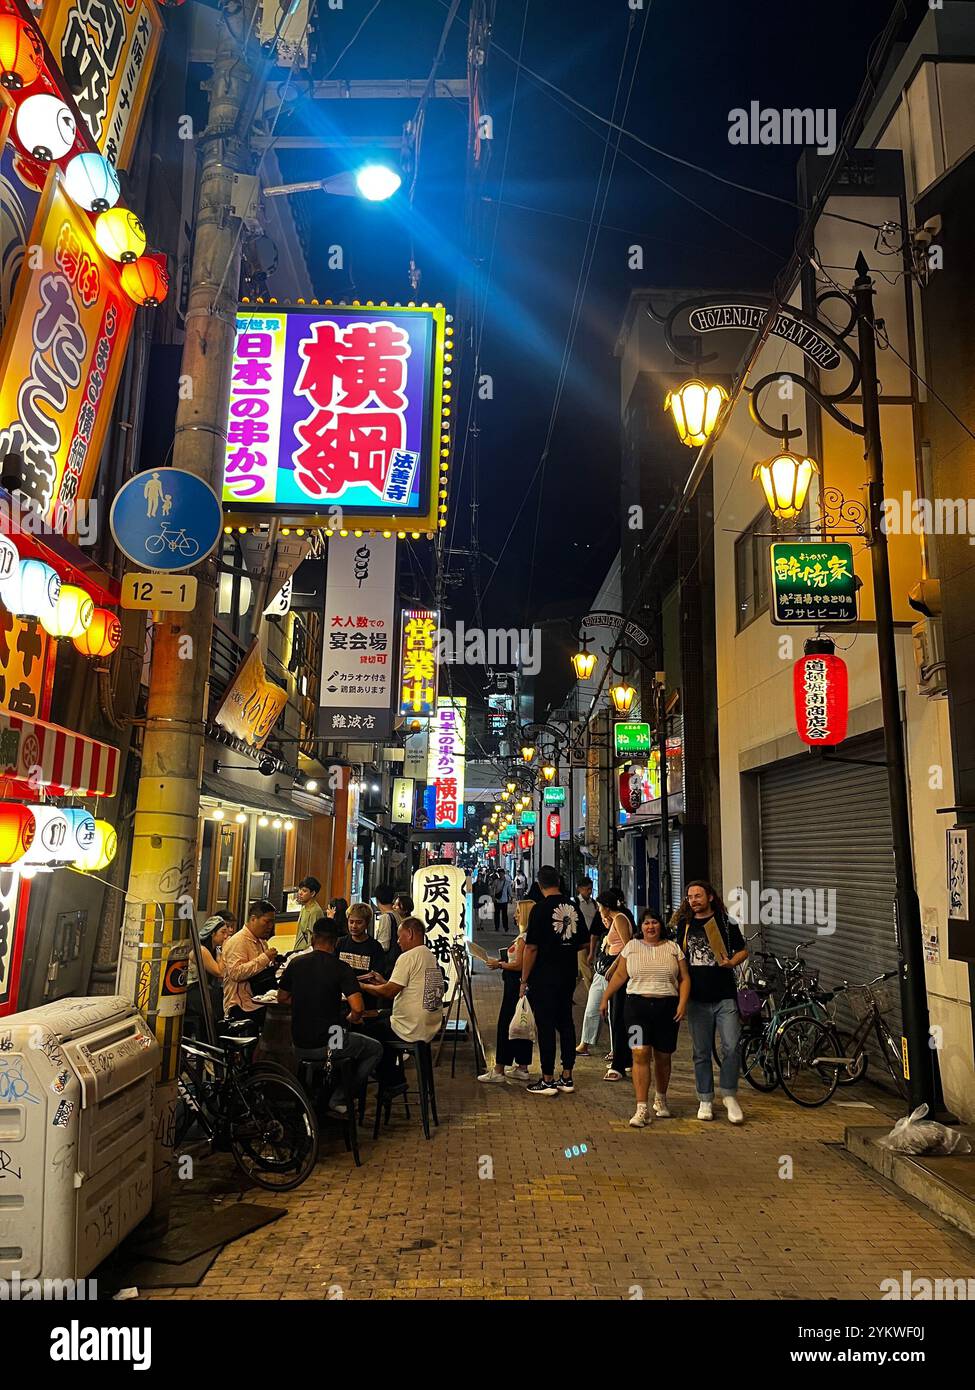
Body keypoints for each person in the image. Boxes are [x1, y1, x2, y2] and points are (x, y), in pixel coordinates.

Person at [277, 920, 382, 1111]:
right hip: (331, 1042)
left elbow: (282, 998)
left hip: (298, 1043)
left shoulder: (296, 963)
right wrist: (351, 1018)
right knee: (374, 1048)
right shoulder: (341, 968)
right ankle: (341, 1097)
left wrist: (305, 1002)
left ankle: (317, 1099)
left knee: (347, 1046)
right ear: (335, 943)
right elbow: (358, 1007)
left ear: (313, 938)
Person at [600, 909, 690, 1127]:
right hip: (636, 1008)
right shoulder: (631, 947)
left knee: (663, 1056)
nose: (651, 927)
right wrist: (605, 998)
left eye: (655, 923)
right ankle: (641, 1108)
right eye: (646, 923)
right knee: (639, 1054)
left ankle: (661, 1098)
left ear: (661, 926)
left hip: (666, 1008)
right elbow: (620, 974)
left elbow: (684, 978)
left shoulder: (673, 948)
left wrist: (682, 1003)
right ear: (641, 927)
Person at [671, 879, 749, 1124]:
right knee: (701, 1052)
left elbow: (743, 950)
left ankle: (729, 1095)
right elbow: (678, 957)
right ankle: (705, 1098)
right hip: (696, 999)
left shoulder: (726, 922)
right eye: (690, 897)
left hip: (725, 995)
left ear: (710, 897)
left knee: (732, 1046)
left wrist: (732, 962)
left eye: (698, 896)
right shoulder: (684, 925)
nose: (693, 900)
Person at [520, 865, 587, 1096]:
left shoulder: (539, 910)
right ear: (558, 881)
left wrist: (523, 979)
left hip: (544, 976)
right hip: (568, 974)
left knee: (545, 1026)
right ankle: (567, 1076)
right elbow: (584, 942)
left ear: (539, 885)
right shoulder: (573, 906)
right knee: (566, 1023)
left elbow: (530, 948)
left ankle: (547, 1079)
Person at [358, 919, 445, 1077]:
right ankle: (393, 1076)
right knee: (378, 1014)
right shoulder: (429, 955)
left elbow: (389, 992)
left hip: (410, 1027)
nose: (397, 941)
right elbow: (405, 987)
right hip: (429, 1025)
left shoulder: (408, 957)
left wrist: (362, 986)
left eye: (399, 936)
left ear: (410, 934)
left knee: (366, 1031)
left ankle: (391, 1079)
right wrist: (383, 982)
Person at [477, 918, 533, 1085]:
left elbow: (518, 965)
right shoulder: (530, 937)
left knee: (507, 1024)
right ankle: (522, 1067)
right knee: (522, 1023)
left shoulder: (524, 938)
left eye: (517, 912)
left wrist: (499, 964)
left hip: (516, 986)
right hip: (522, 985)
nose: (515, 916)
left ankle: (499, 1069)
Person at [595, 890, 634, 1080]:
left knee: (618, 1016)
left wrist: (615, 965)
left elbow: (628, 945)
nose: (598, 910)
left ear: (606, 907)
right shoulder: (614, 919)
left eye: (599, 906)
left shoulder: (619, 918)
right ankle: (624, 1059)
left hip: (620, 970)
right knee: (616, 1015)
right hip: (616, 967)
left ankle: (620, 1061)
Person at [221, 900, 278, 1030]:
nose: (270, 926)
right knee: (275, 1022)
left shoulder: (262, 942)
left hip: (259, 1000)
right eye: (267, 921)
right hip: (241, 1006)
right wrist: (265, 958)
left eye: (272, 922)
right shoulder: (237, 941)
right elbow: (236, 973)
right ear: (253, 919)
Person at [184, 912, 235, 1036]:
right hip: (191, 990)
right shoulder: (201, 950)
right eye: (223, 932)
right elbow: (219, 972)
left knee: (224, 995)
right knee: (216, 1000)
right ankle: (213, 1039)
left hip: (202, 989)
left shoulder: (214, 950)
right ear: (212, 933)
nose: (226, 935)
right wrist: (224, 950)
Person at [337, 902, 387, 980]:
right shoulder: (340, 943)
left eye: (359, 922)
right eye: (351, 922)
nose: (354, 926)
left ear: (367, 924)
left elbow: (376, 975)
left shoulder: (375, 947)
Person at [575, 878, 599, 991]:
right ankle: (593, 995)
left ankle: (567, 992)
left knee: (581, 970)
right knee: (587, 969)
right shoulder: (575, 903)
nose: (589, 891)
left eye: (590, 888)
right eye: (587, 889)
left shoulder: (594, 903)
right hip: (581, 941)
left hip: (592, 939)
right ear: (579, 889)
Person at [292, 875, 325, 952]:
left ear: (312, 893)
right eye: (300, 889)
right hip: (299, 950)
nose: (300, 893)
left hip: (306, 953)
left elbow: (312, 938)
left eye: (304, 891)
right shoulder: (304, 908)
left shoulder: (315, 911)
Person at [372, 883, 399, 954]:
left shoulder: (385, 917)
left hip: (388, 960)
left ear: (377, 900)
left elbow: (384, 945)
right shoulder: (396, 914)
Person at [491, 866, 513, 932]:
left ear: (504, 874)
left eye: (502, 874)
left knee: (504, 915)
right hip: (497, 901)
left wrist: (511, 897)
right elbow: (492, 889)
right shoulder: (496, 881)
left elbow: (509, 891)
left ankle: (506, 927)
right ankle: (496, 927)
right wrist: (493, 897)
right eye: (499, 874)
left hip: (504, 901)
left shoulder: (507, 882)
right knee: (496, 915)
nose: (501, 875)